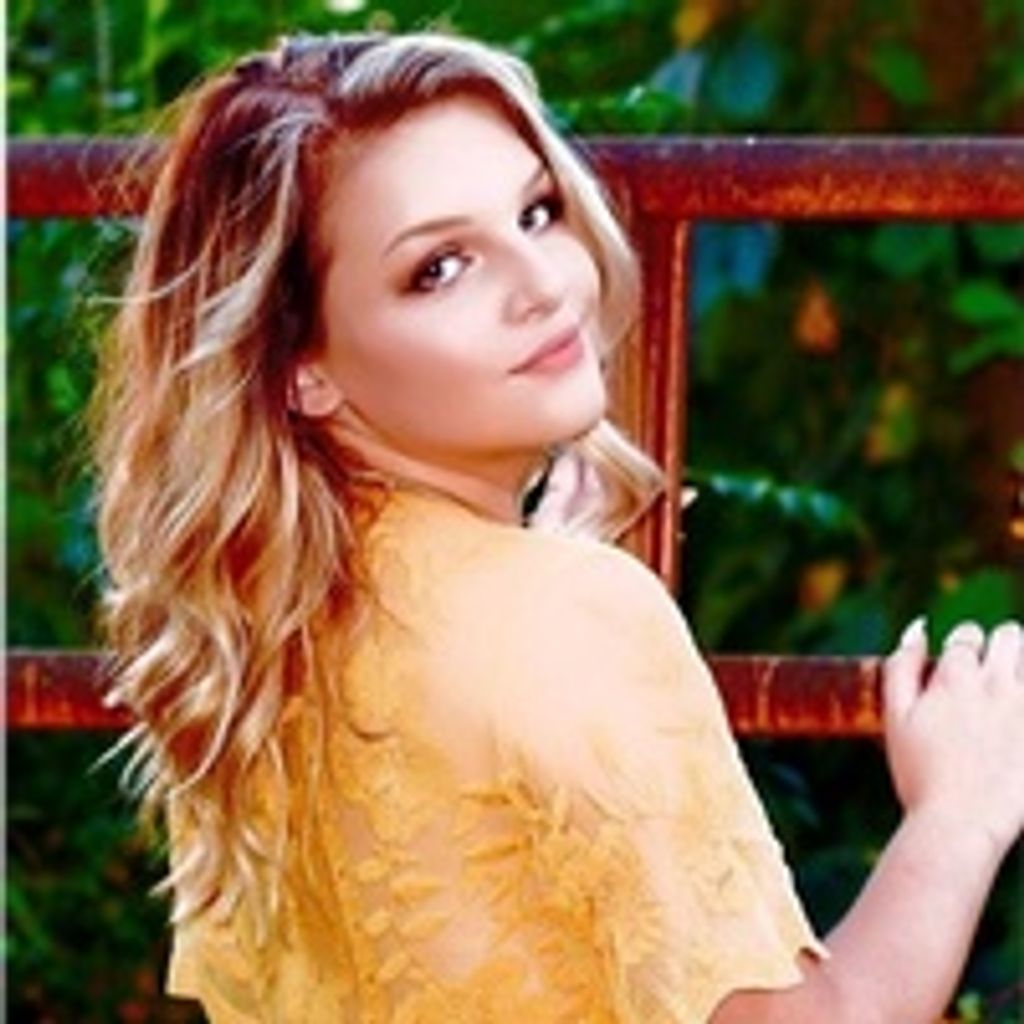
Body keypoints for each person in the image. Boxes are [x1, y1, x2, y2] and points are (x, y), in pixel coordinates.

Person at [92, 29, 1024, 1024]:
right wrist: (960, 810)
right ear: (300, 367)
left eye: (536, 212)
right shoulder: (569, 619)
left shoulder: (247, 619)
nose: (541, 282)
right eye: (440, 267)